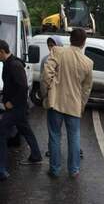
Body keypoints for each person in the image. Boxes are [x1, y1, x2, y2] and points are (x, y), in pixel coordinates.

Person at [41, 28, 93, 179]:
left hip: (55, 102)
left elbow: (46, 74)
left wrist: (46, 93)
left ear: (70, 39)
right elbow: (86, 89)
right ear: (84, 42)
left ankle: (55, 170)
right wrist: (82, 105)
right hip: (74, 104)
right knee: (74, 137)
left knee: (54, 136)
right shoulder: (88, 63)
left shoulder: (57, 51)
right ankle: (74, 170)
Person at [0, 40, 43, 181]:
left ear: (1, 51)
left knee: (1, 134)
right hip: (18, 108)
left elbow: (23, 87)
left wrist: (11, 102)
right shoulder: (11, 64)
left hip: (15, 108)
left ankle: (2, 170)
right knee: (25, 130)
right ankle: (36, 155)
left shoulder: (14, 65)